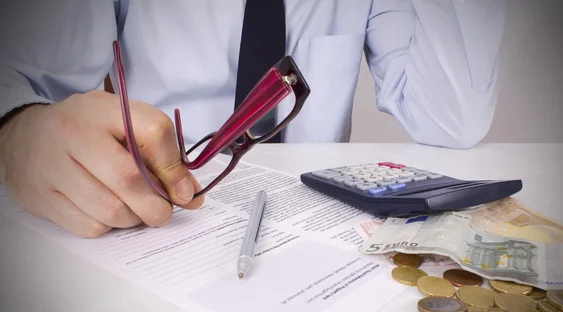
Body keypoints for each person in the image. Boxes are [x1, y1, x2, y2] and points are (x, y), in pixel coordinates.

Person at [0, 0, 506, 238]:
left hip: (315, 223)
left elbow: (451, 119)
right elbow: (24, 75)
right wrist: (17, 129)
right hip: (156, 211)